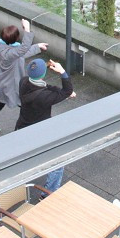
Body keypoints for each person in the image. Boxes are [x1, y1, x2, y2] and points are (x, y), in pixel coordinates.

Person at [16, 58, 75, 192]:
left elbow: (45, 87)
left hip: (24, 125)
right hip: (38, 132)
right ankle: (48, 193)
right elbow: (66, 90)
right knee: (57, 163)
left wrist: (64, 93)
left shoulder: (24, 81)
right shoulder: (43, 98)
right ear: (43, 74)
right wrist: (62, 72)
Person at [0, 18, 46, 133]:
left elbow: (22, 52)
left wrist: (38, 46)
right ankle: (24, 127)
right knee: (24, 104)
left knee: (0, 103)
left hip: (4, 82)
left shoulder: (4, 48)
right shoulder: (11, 53)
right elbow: (23, 50)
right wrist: (27, 29)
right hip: (12, 84)